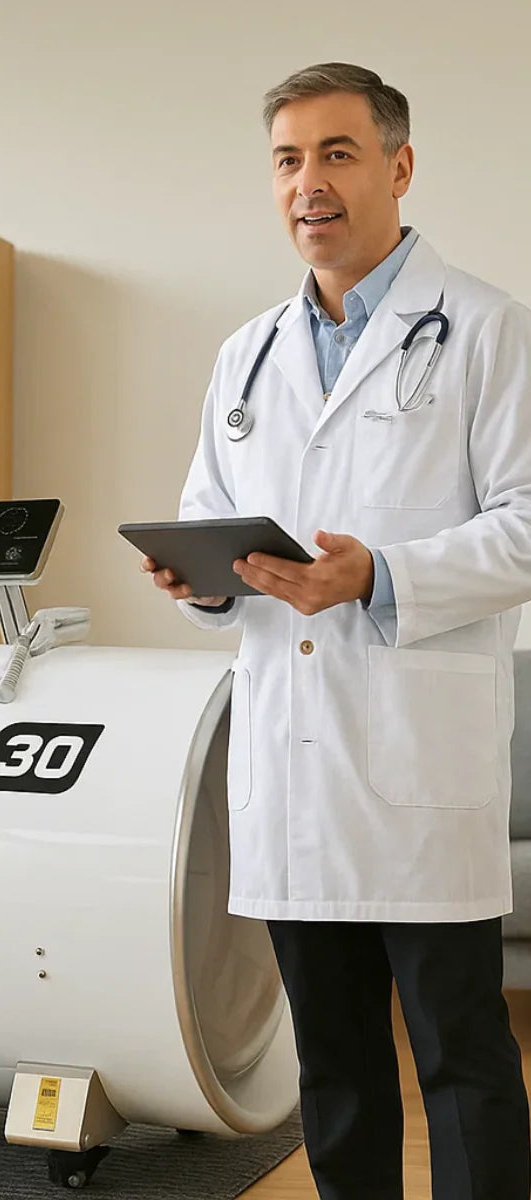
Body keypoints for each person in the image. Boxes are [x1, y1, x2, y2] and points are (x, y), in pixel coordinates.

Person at [142, 62, 531, 1198]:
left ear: (399, 167)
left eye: (337, 153)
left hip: (418, 769)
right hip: (296, 769)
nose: (308, 183)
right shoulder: (244, 354)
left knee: (462, 1058)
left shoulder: (489, 332)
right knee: (338, 1070)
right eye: (287, 159)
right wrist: (202, 580)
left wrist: (378, 577)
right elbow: (210, 516)